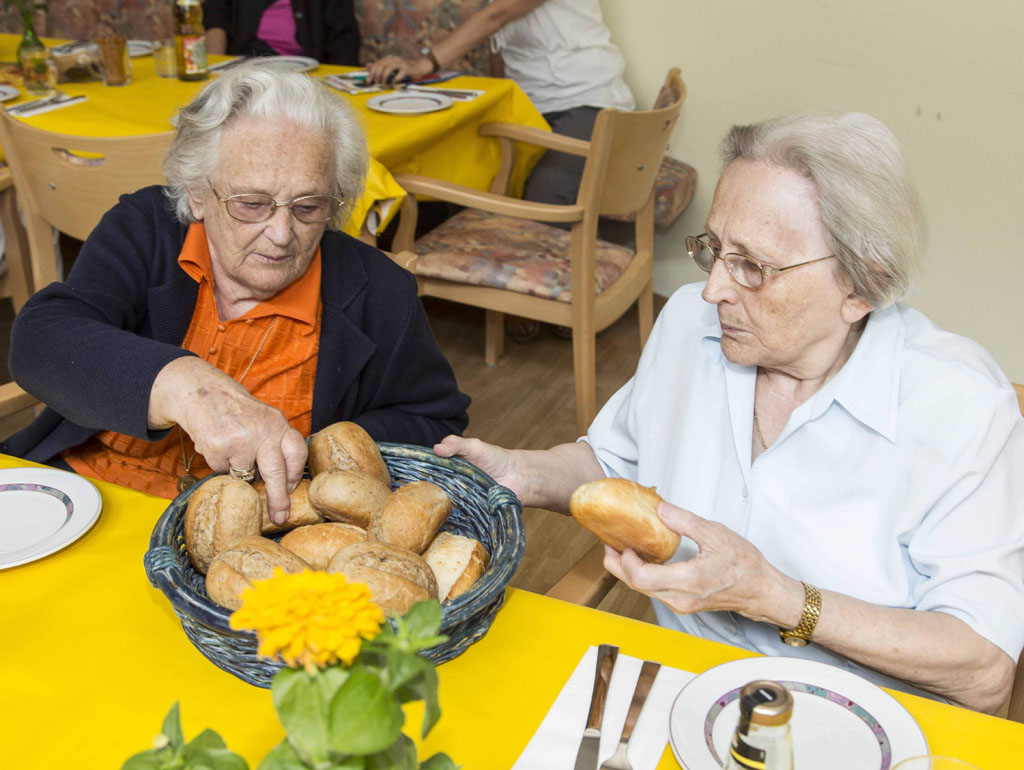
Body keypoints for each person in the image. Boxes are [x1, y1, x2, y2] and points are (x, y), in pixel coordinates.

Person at [434, 112, 1024, 713]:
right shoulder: (691, 323)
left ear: (862, 286)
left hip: (857, 721)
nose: (714, 288)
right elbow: (613, 463)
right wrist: (519, 472)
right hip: (682, 687)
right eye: (713, 249)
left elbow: (982, 667)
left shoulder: (963, 410)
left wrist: (777, 597)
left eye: (753, 266)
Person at [3, 61, 469, 525]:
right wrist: (186, 387)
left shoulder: (379, 291)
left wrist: (311, 454)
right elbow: (41, 339)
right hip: (86, 498)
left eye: (308, 207)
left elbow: (434, 420)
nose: (282, 234)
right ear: (197, 193)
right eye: (251, 204)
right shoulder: (146, 229)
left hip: (256, 534)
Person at [365, 0, 635, 208]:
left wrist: (423, 64)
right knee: (462, 175)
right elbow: (501, 46)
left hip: (587, 102)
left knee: (543, 204)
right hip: (532, 108)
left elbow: (497, 15)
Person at [203, 0, 360, 65]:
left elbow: (344, 38)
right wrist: (216, 66)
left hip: (303, 69)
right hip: (245, 65)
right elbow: (215, 18)